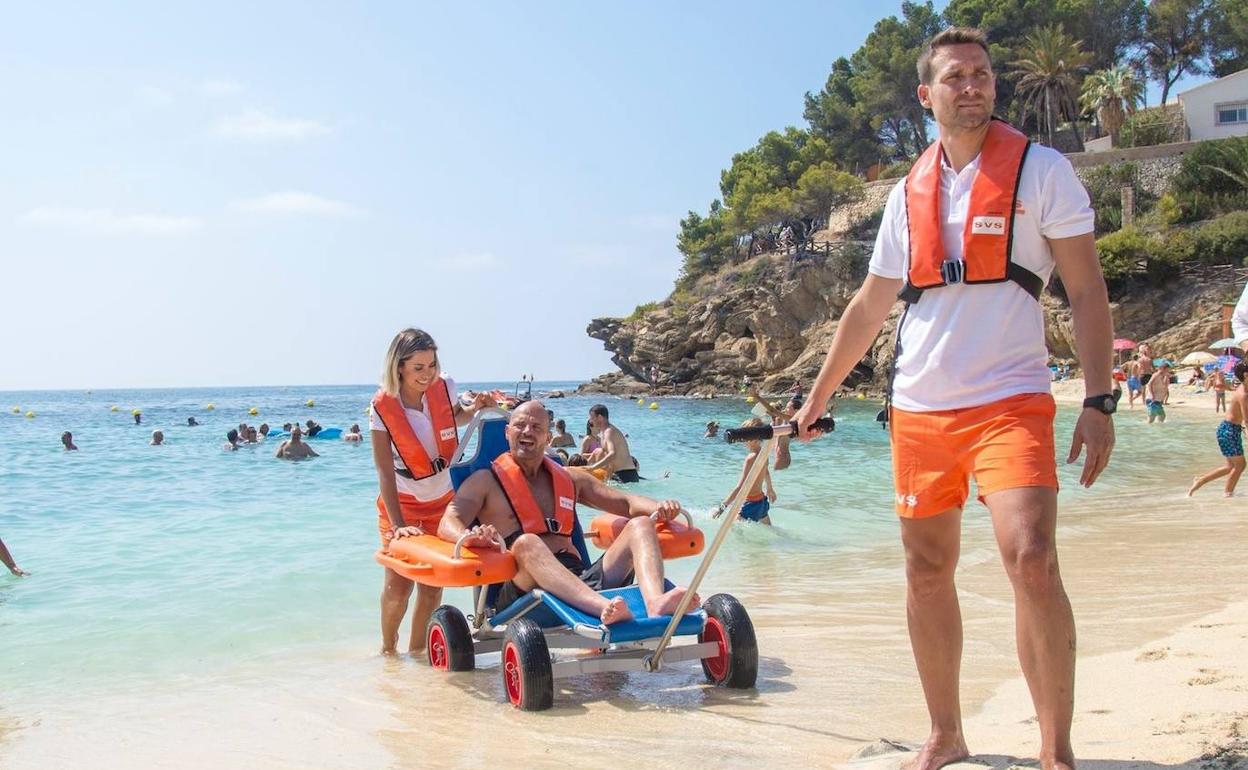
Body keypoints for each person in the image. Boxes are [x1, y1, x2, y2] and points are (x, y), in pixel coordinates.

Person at [792, 27, 1113, 770]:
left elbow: (1088, 289)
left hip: (1011, 398)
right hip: (920, 405)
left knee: (1031, 557)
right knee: (925, 569)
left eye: (983, 75)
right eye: (956, 76)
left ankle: (1055, 751)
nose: (973, 86)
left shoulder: (1043, 171)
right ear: (926, 94)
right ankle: (946, 733)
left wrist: (1100, 400)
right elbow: (870, 307)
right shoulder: (909, 193)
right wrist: (814, 400)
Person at [439, 401, 695, 624]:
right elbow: (448, 522)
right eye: (519, 425)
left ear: (548, 439)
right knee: (527, 543)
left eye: (537, 427)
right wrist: (469, 536)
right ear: (507, 432)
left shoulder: (570, 479)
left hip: (580, 581)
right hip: (524, 592)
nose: (527, 431)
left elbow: (626, 502)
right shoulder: (485, 481)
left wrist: (660, 508)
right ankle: (602, 608)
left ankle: (655, 602)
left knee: (640, 525)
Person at [369, 327, 494, 656]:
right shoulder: (382, 406)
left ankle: (417, 654)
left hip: (442, 502)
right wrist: (397, 525)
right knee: (398, 586)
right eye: (418, 368)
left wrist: (477, 409)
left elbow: (454, 419)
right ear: (399, 367)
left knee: (431, 586)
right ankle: (388, 650)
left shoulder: (445, 386)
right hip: (403, 504)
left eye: (432, 365)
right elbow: (383, 468)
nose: (427, 375)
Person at [1188, 362, 1248, 497]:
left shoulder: (1244, 388)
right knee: (1240, 465)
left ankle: (1201, 480)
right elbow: (1247, 420)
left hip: (1228, 429)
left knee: (1230, 467)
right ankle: (1228, 495)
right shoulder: (1243, 394)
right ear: (1245, 375)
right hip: (1229, 431)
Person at [713, 418, 776, 525]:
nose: (742, 440)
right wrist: (770, 488)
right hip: (761, 503)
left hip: (750, 504)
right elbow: (766, 472)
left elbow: (740, 487)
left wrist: (722, 507)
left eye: (745, 437)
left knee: (733, 532)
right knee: (769, 532)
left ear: (755, 438)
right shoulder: (763, 454)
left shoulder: (750, 458)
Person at [749, 386, 802, 470]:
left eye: (788, 408)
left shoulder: (792, 419)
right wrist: (764, 408)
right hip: (780, 455)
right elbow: (772, 412)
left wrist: (757, 397)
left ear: (796, 411)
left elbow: (774, 411)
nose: (785, 409)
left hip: (782, 457)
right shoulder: (784, 419)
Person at [585, 404, 639, 483]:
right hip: (617, 474)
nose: (590, 421)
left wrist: (593, 467)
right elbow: (611, 462)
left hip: (627, 475)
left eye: (592, 417)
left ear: (600, 417)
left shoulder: (609, 431)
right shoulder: (602, 433)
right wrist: (606, 480)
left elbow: (612, 454)